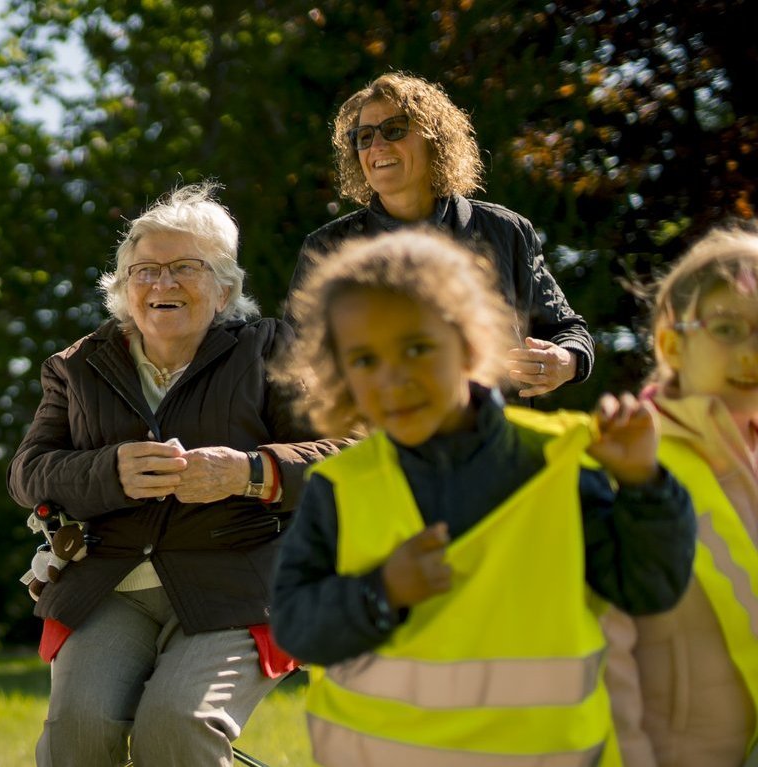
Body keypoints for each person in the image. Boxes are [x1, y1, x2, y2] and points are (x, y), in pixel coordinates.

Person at [271, 228, 695, 766]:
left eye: (417, 348)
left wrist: (644, 485)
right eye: (364, 361)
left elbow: (648, 587)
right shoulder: (340, 486)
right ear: (338, 373)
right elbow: (296, 628)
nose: (393, 379)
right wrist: (380, 593)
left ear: (470, 344)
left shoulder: (554, 460)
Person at [6, 183, 343, 766]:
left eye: (185, 267)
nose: (162, 284)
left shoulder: (272, 349)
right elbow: (28, 475)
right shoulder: (77, 364)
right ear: (123, 286)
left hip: (234, 583)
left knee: (178, 726)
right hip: (107, 587)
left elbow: (353, 455)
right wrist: (108, 471)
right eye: (145, 270)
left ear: (225, 288)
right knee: (77, 733)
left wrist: (249, 472)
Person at [291, 72, 593, 401]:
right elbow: (297, 360)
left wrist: (565, 361)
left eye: (394, 130)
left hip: (493, 443)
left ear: (435, 139)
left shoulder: (507, 231)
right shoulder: (326, 249)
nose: (376, 146)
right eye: (363, 136)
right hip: (377, 444)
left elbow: (568, 330)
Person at [605, 227, 758, 766]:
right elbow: (607, 648)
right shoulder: (629, 461)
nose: (753, 351)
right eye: (729, 329)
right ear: (672, 345)